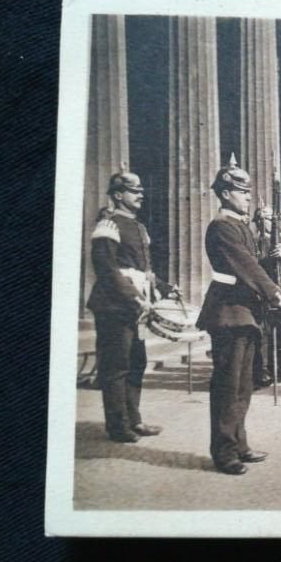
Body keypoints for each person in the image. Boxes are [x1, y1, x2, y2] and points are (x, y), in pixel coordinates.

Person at [196, 160, 281, 475]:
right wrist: (274, 293)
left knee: (243, 385)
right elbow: (244, 265)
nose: (248, 196)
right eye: (241, 191)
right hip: (228, 310)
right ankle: (224, 452)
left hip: (244, 311)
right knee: (228, 385)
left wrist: (273, 260)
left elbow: (252, 263)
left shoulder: (239, 225)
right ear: (225, 193)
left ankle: (239, 443)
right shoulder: (222, 226)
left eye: (248, 191)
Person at [87, 171, 168, 443]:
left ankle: (134, 420)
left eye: (141, 190)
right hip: (114, 305)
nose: (141, 194)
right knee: (116, 366)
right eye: (134, 191)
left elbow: (144, 270)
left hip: (135, 306)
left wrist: (166, 288)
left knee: (136, 363)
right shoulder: (108, 224)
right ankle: (118, 426)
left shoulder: (139, 227)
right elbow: (106, 268)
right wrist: (133, 296)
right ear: (118, 194)